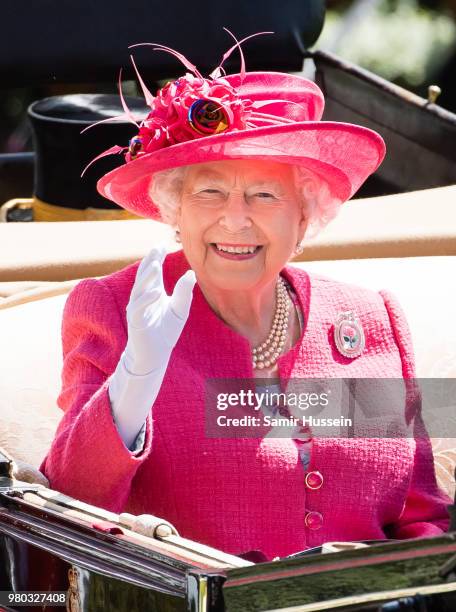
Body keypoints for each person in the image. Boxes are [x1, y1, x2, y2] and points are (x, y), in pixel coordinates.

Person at [40, 44, 450, 561]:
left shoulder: (372, 319)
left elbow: (423, 518)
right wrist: (132, 385)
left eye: (264, 195)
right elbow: (69, 509)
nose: (235, 220)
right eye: (209, 192)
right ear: (175, 210)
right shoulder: (114, 310)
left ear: (304, 216)